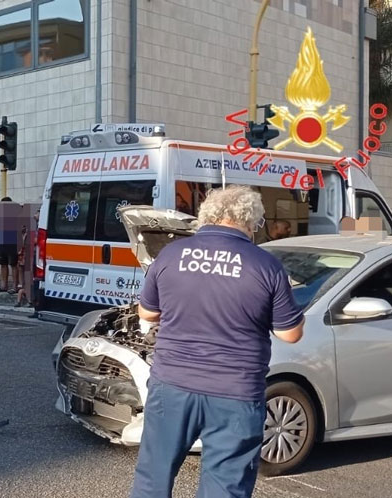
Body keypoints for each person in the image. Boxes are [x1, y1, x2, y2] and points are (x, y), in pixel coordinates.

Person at [130, 186, 304, 498]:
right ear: (251, 222)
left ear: (206, 216)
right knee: (225, 486)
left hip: (172, 384)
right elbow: (290, 333)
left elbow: (147, 312)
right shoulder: (266, 266)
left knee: (152, 478)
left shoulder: (170, 255)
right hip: (234, 392)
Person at [0, 197, 19, 294]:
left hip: (12, 242)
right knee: (3, 263)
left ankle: (15, 285)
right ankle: (3, 285)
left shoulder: (15, 215)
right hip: (2, 242)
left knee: (13, 264)